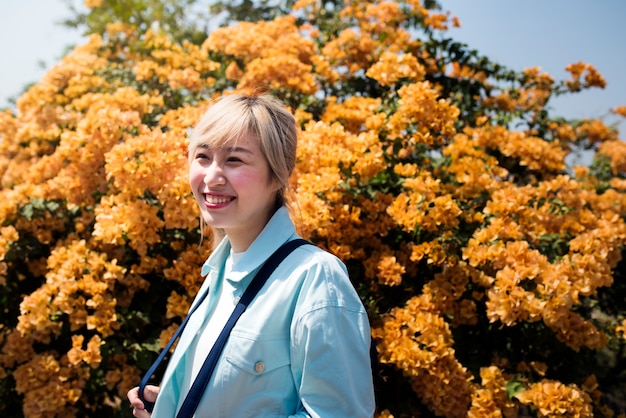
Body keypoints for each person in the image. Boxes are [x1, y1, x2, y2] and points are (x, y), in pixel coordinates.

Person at [127, 93, 376, 417]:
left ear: (278, 174)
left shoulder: (315, 279)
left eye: (234, 160)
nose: (212, 177)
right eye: (202, 156)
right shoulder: (220, 272)